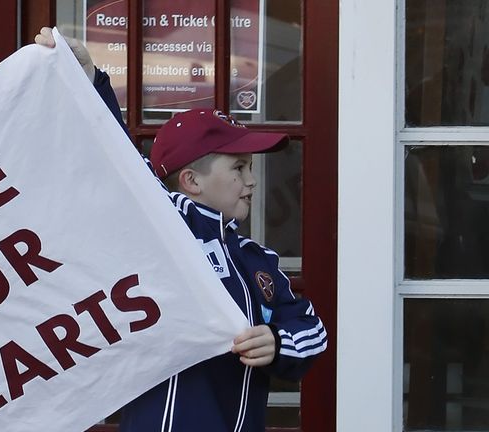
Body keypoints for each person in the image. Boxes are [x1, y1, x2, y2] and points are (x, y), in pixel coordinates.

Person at [34, 27, 327, 432]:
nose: (252, 181)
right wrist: (89, 79)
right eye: (238, 168)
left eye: (251, 168)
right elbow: (116, 157)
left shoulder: (256, 258)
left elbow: (311, 329)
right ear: (191, 181)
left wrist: (277, 342)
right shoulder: (164, 222)